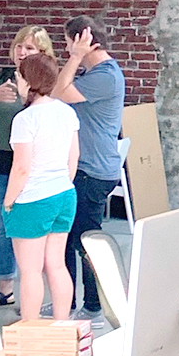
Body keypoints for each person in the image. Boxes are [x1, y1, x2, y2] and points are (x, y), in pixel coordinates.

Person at [0, 26, 54, 307]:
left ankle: (34, 290)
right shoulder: (0, 77)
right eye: (19, 46)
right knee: (2, 227)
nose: (21, 52)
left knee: (29, 228)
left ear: (41, 53)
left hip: (28, 166)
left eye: (29, 48)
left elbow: (42, 123)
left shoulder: (45, 84)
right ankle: (5, 287)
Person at [52, 16, 125, 326]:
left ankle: (93, 307)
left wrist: (76, 56)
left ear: (83, 40)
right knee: (68, 239)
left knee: (83, 241)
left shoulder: (105, 76)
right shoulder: (95, 73)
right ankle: (64, 303)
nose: (66, 49)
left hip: (92, 172)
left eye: (69, 42)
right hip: (84, 169)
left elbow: (58, 92)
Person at [4, 54, 80, 321]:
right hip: (64, 194)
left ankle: (30, 328)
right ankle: (62, 325)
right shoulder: (67, 112)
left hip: (33, 198)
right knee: (57, 265)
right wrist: (62, 184)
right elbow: (74, 157)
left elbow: (22, 167)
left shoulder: (25, 119)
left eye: (19, 76)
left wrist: (9, 201)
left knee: (31, 270)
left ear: (28, 81)